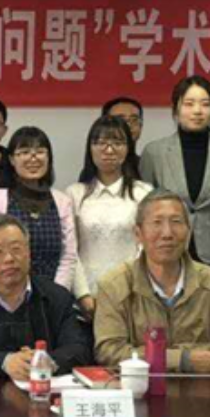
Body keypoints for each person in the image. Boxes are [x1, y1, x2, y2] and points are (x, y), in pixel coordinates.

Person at [92, 191, 210, 373]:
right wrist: (182, 359)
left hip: (204, 387)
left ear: (189, 232)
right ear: (138, 234)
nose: (167, 233)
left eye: (176, 222)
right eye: (157, 223)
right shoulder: (114, 286)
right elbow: (109, 352)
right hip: (141, 387)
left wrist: (156, 355)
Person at [0, 215, 91, 380]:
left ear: (28, 252)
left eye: (16, 249)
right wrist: (4, 362)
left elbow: (78, 348)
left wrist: (46, 361)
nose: (9, 259)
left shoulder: (57, 296)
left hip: (43, 386)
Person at [139, 77, 210, 274]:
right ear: (175, 109)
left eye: (205, 104)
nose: (197, 111)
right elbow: (144, 214)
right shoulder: (154, 153)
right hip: (166, 255)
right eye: (189, 104)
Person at [0, 127, 83, 304]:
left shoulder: (62, 201)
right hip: (7, 298)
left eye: (40, 152)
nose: (33, 158)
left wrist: (55, 296)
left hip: (54, 299)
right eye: (24, 152)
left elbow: (68, 256)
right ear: (12, 159)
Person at [67, 115, 153, 305]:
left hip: (132, 295)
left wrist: (129, 289)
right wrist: (83, 295)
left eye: (118, 143)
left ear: (128, 148)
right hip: (87, 296)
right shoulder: (74, 194)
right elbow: (70, 251)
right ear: (90, 148)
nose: (109, 149)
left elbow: (146, 247)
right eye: (101, 143)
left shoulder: (143, 193)